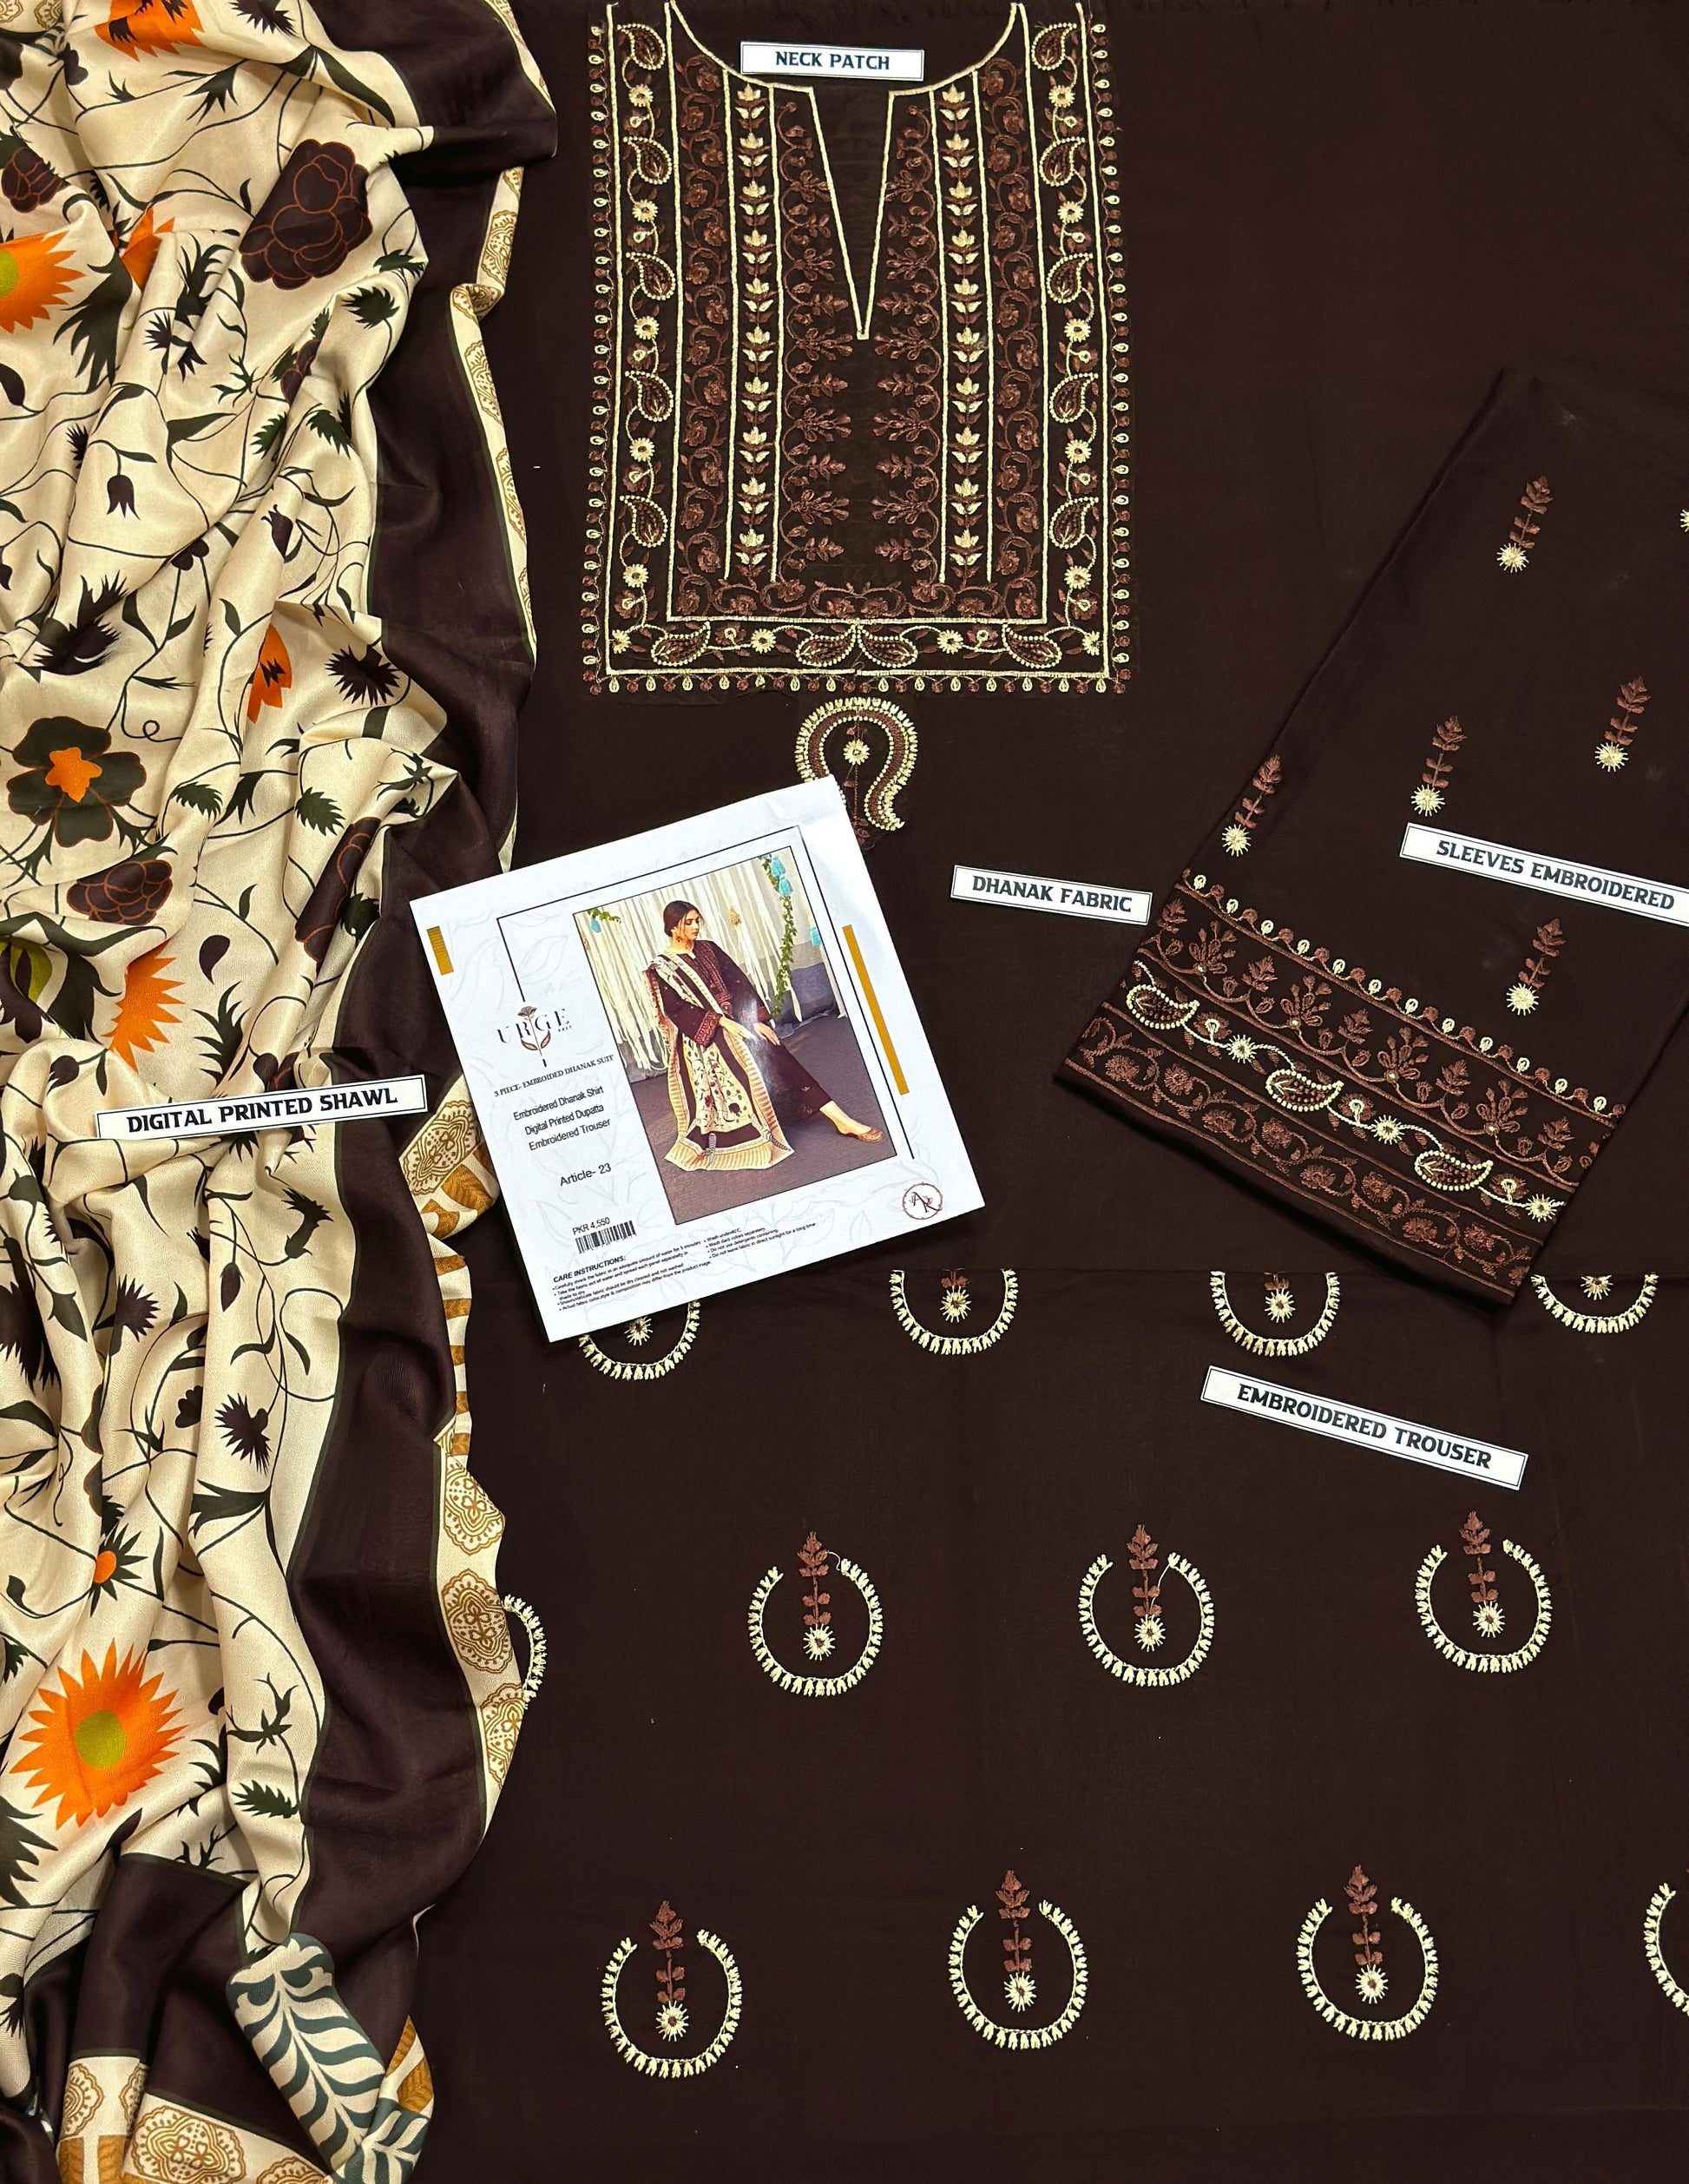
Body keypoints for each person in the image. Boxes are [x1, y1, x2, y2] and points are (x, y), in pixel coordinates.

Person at [644, 901, 883, 1172]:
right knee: (750, 1063)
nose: (696, 926)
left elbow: (738, 983)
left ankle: (841, 1119)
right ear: (673, 926)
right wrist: (722, 1023)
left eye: (698, 920)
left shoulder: (709, 948)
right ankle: (835, 1119)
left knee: (776, 1053)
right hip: (708, 1034)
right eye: (688, 922)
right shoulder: (663, 967)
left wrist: (754, 1020)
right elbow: (676, 1010)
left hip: (739, 1022)